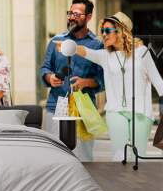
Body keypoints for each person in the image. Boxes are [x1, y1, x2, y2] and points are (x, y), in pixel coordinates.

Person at [56, 12, 163, 161]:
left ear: (120, 31)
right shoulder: (105, 56)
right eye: (102, 31)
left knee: (139, 157)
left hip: (140, 112)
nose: (103, 35)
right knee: (120, 156)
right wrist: (69, 46)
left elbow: (158, 81)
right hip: (115, 112)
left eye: (107, 30)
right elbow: (85, 51)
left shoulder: (142, 53)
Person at [40, 0, 104, 161]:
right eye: (70, 13)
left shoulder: (97, 44)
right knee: (54, 155)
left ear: (88, 17)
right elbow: (45, 68)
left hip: (84, 107)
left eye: (77, 14)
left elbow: (102, 78)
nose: (71, 17)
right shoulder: (56, 41)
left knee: (83, 158)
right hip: (56, 104)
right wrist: (50, 77)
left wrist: (86, 82)